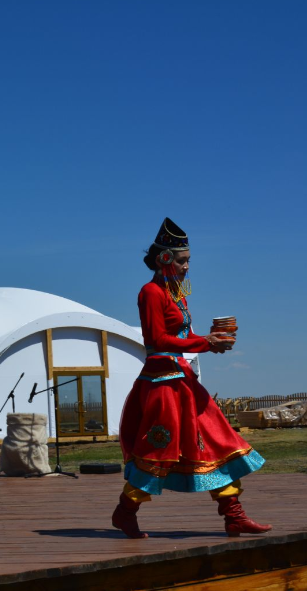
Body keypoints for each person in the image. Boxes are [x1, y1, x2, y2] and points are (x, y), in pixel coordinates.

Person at [113, 218, 271, 539]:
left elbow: (185, 334)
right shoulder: (151, 292)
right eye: (183, 261)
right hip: (161, 383)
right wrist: (205, 343)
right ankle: (125, 511)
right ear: (165, 259)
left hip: (183, 379)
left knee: (216, 441)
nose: (187, 267)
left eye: (188, 261)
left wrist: (211, 341)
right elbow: (156, 339)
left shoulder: (178, 291)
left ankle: (233, 515)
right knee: (160, 450)